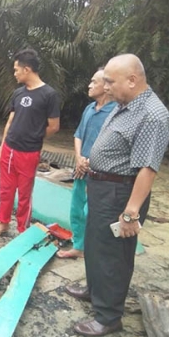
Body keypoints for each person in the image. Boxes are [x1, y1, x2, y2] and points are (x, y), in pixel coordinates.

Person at [66, 54, 169, 337]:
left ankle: (109, 316)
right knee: (95, 243)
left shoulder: (152, 115)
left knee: (114, 255)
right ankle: (94, 289)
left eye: (111, 81)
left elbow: (147, 170)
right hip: (102, 186)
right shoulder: (124, 104)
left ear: (132, 80)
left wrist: (130, 213)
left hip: (121, 193)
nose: (106, 86)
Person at [0, 49, 60, 238]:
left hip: (29, 153)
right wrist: (2, 148)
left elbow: (53, 126)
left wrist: (34, 136)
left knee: (25, 194)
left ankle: (22, 229)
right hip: (9, 150)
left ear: (27, 69)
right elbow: (10, 121)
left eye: (16, 69)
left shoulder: (49, 94)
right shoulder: (18, 93)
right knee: (5, 190)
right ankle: (3, 223)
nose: (15, 73)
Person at [57, 69, 117, 259]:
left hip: (100, 173)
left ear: (106, 87)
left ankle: (93, 251)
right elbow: (78, 135)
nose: (89, 85)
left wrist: (91, 161)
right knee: (76, 208)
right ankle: (79, 246)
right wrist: (79, 159)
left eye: (94, 82)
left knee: (92, 212)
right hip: (81, 169)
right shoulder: (89, 109)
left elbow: (112, 144)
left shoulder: (115, 112)